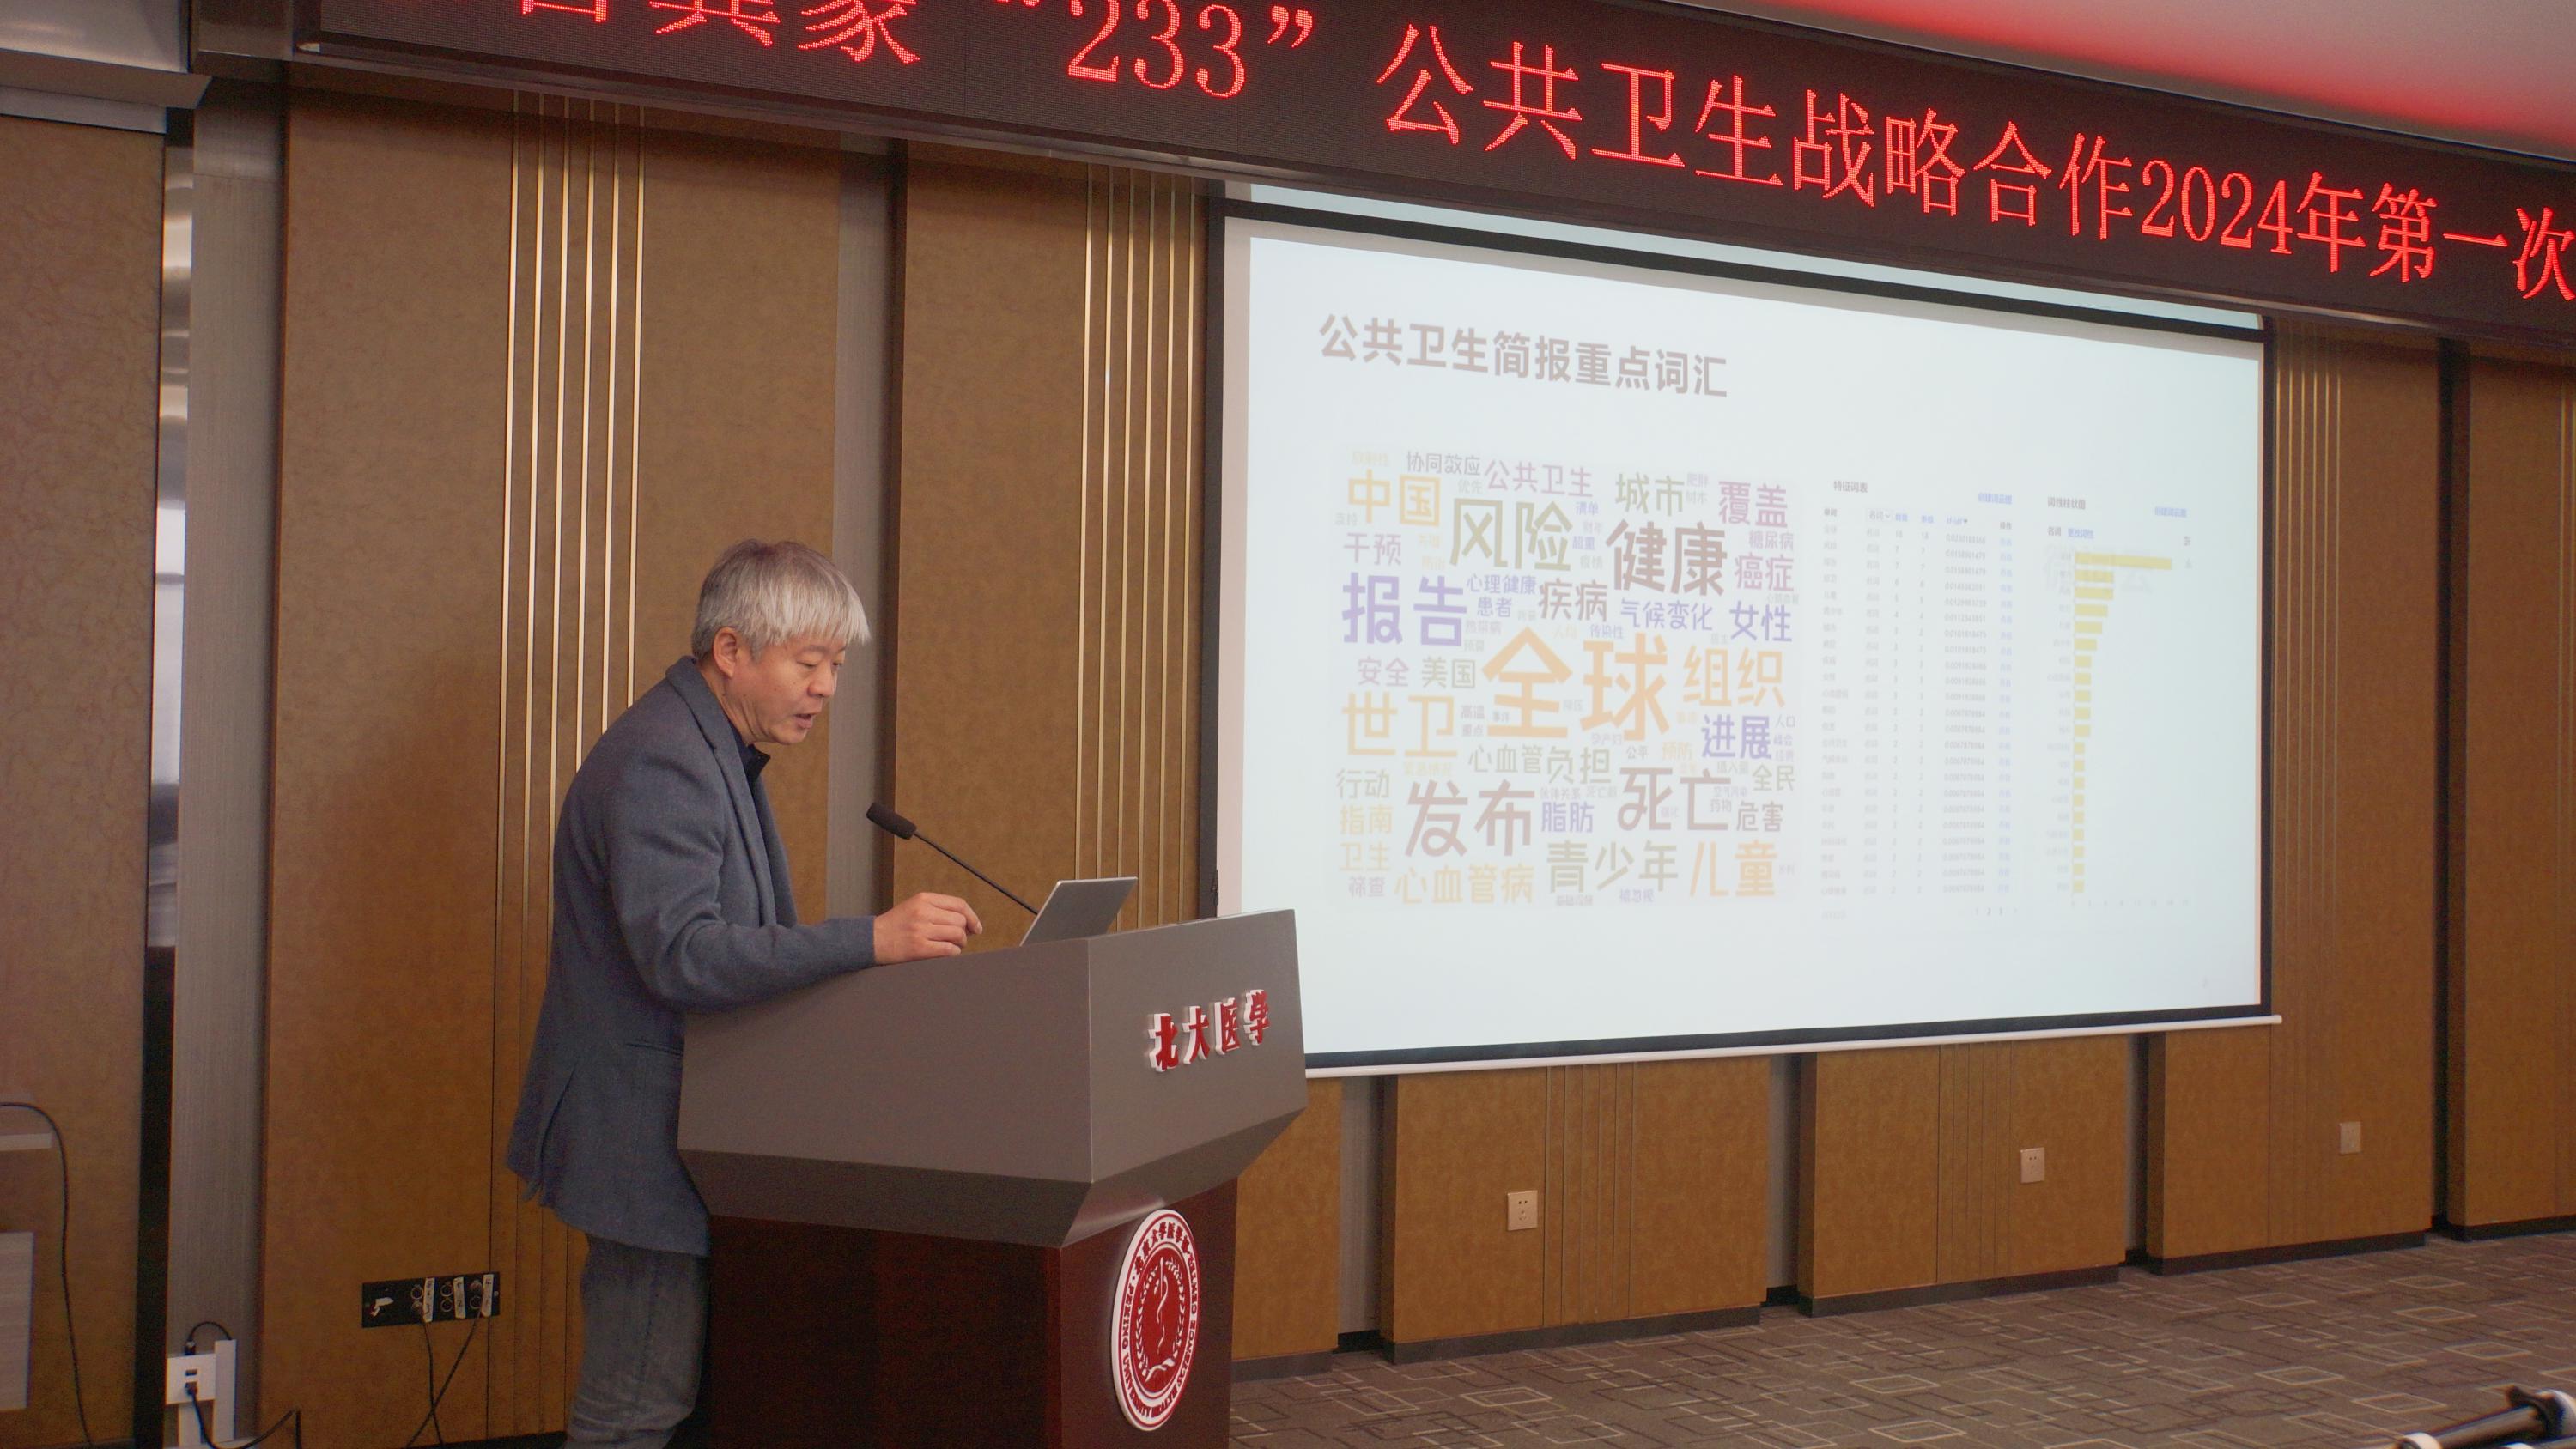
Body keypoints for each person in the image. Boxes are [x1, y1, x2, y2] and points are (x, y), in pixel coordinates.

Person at [506, 539, 982, 1449]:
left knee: (674, 1401)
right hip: (641, 1137)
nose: (826, 688)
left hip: (691, 1124)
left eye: (836, 666)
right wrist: (871, 940)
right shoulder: (665, 760)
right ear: (731, 650)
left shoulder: (710, 745)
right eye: (809, 663)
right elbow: (683, 955)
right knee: (632, 1411)